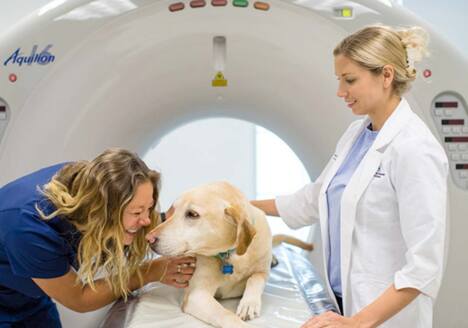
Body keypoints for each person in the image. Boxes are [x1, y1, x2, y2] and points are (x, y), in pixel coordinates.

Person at [252, 25, 448, 328]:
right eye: (339, 80)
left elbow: (424, 265)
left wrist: (357, 322)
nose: (340, 92)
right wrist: (241, 205)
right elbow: (318, 199)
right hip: (344, 304)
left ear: (386, 75)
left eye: (350, 80)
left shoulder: (415, 149)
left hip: (384, 317)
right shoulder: (356, 135)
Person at [0, 148, 196, 328]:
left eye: (149, 208)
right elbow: (79, 298)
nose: (146, 221)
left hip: (30, 297)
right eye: (137, 212)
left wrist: (171, 223)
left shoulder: (89, 183)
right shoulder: (29, 228)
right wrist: (149, 272)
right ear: (103, 212)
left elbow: (136, 219)